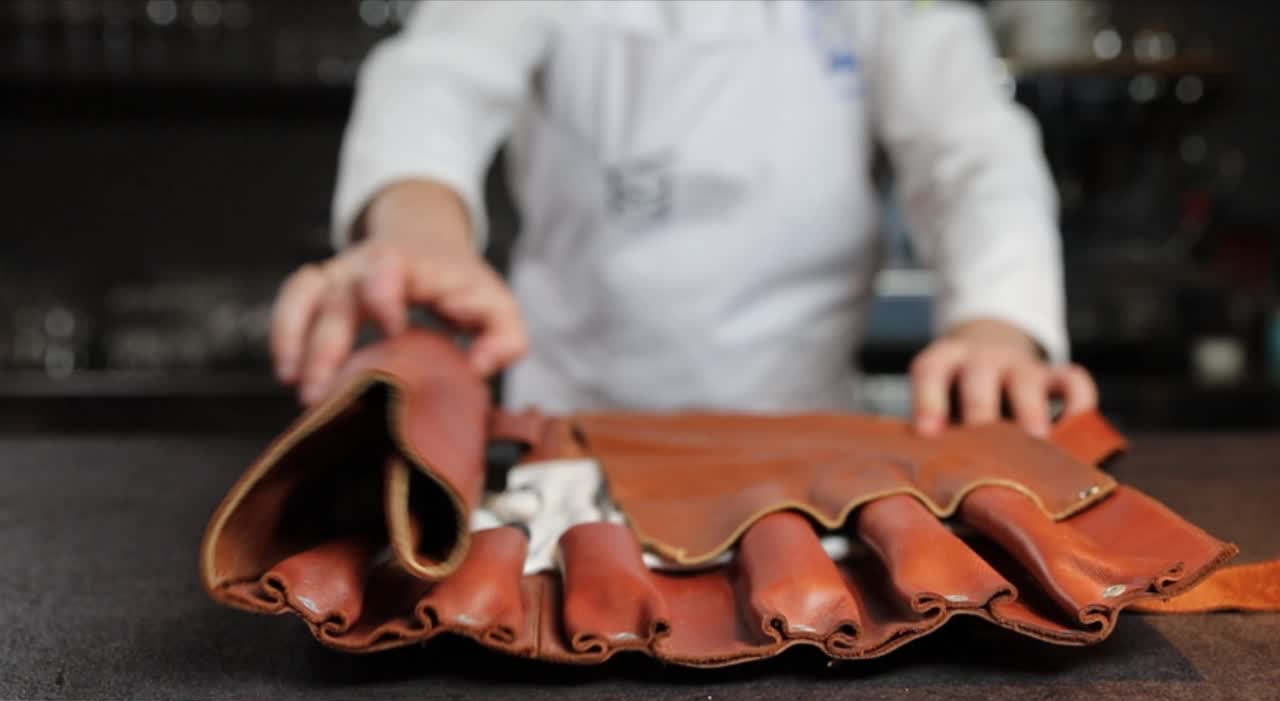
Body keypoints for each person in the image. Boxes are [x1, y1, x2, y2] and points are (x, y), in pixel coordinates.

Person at [270, 0, 1098, 438]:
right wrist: (418, 228)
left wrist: (997, 323)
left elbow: (974, 150)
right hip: (564, 435)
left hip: (804, 442)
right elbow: (435, 77)